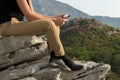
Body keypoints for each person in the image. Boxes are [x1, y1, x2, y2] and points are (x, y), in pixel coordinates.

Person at [0, 0, 87, 71]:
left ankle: (55, 56)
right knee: (49, 24)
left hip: (18, 23)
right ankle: (61, 56)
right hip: (7, 25)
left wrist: (54, 19)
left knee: (54, 24)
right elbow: (29, 16)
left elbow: (33, 14)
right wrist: (53, 19)